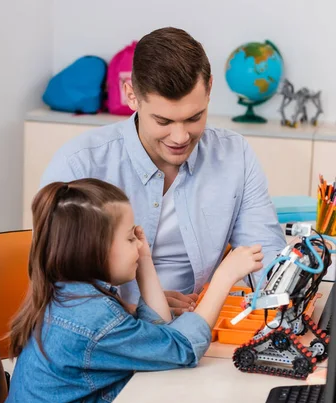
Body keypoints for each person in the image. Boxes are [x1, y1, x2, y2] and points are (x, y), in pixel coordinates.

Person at [0, 178, 263, 403]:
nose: (138, 244)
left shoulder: (72, 294)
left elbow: (157, 338)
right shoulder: (91, 319)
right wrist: (225, 276)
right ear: (94, 249)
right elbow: (181, 349)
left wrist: (145, 261)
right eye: (129, 239)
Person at [41, 27, 285, 314]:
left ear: (209, 90)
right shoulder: (79, 164)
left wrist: (280, 296)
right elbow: (54, 285)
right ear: (131, 96)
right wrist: (135, 309)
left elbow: (266, 258)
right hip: (110, 333)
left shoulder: (235, 155)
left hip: (199, 328)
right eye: (163, 121)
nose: (180, 137)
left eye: (194, 118)